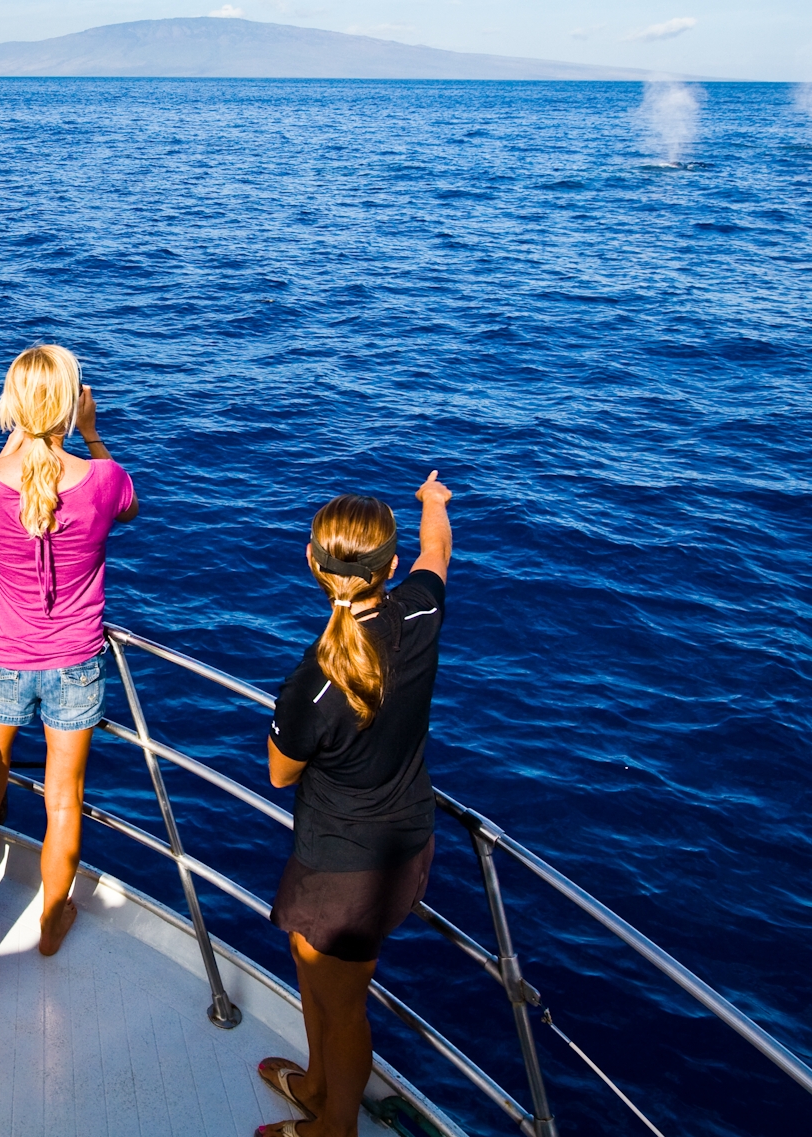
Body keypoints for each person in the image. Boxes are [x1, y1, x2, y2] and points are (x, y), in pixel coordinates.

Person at [256, 474, 454, 1137]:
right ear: (389, 567)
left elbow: (281, 773)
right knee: (317, 972)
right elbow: (438, 555)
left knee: (343, 1006)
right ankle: (315, 1083)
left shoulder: (313, 682)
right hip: (404, 847)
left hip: (341, 870)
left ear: (313, 564)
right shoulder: (420, 616)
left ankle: (334, 1124)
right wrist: (433, 503)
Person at [0, 345, 138, 954]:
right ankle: (50, 926)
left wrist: (22, 436)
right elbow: (131, 508)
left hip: (1, 656)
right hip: (77, 660)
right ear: (72, 403)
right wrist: (90, 435)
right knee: (65, 798)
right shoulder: (103, 480)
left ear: (11, 405)